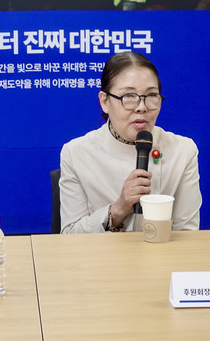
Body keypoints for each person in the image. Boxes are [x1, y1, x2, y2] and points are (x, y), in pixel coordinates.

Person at [59, 52, 202, 233]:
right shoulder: (76, 153)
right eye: (129, 96)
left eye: (151, 95)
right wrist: (117, 210)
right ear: (105, 101)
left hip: (164, 251)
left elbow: (188, 234)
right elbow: (69, 236)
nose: (141, 107)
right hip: (101, 252)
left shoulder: (183, 150)